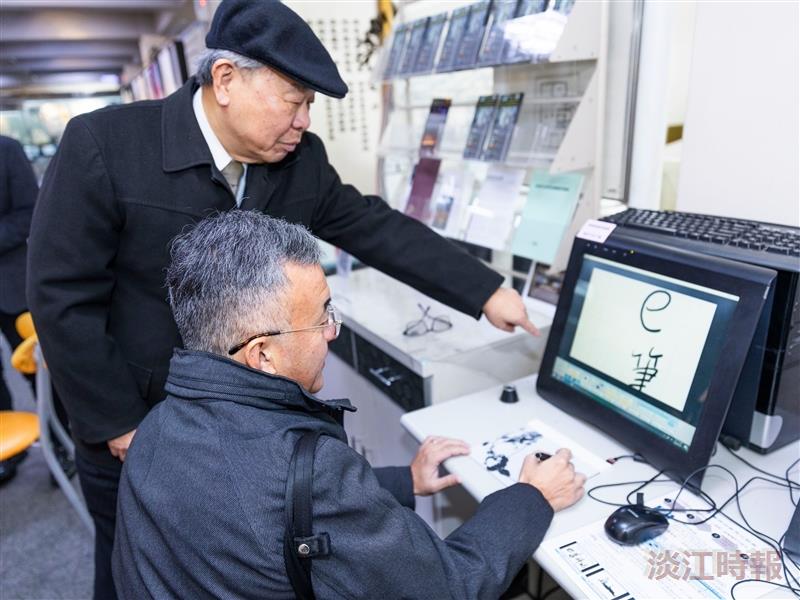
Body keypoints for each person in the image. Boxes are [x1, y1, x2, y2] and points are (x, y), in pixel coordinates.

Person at [27, 1, 537, 596]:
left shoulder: (299, 162)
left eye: (309, 108)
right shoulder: (108, 145)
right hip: (141, 422)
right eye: (292, 102)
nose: (302, 122)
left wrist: (486, 289)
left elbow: (371, 226)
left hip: (254, 430)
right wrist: (116, 422)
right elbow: (61, 295)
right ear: (225, 81)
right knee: (140, 571)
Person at [112, 211, 585, 599]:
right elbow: (450, 586)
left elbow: (260, 504)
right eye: (320, 319)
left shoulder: (156, 427)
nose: (332, 332)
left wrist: (406, 481)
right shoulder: (307, 467)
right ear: (262, 354)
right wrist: (532, 497)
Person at [0, 135, 74, 484]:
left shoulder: (7, 149)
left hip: (11, 284)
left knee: (40, 370)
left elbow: (29, 212)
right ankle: (8, 455)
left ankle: (59, 442)